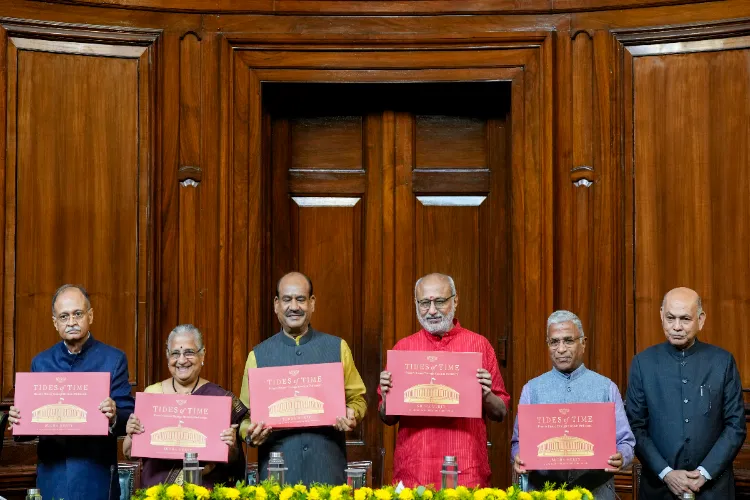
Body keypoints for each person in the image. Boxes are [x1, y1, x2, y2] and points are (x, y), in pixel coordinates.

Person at [378, 273, 510, 488]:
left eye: (439, 301)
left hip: (466, 470)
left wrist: (486, 395)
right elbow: (387, 418)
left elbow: (500, 412)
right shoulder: (403, 349)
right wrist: (386, 397)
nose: (431, 310)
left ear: (455, 301)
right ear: (416, 303)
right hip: (414, 472)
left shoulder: (479, 345)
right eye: (424, 303)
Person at [7, 284, 135, 500]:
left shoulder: (113, 359)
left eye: (78, 314)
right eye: (64, 317)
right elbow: (28, 425)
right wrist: (18, 420)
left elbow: (128, 415)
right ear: (55, 323)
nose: (72, 322)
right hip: (52, 474)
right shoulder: (41, 363)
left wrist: (114, 415)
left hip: (96, 474)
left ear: (90, 316)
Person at [239, 271, 367, 485]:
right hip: (276, 479)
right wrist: (250, 435)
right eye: (287, 299)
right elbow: (244, 417)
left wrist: (353, 414)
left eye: (301, 299)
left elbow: (358, 399)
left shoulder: (338, 348)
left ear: (312, 303)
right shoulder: (257, 356)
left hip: (328, 473)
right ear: (276, 305)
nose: (294, 307)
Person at [626, 287, 746, 499]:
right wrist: (667, 473)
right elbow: (636, 426)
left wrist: (704, 473)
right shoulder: (642, 363)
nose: (677, 327)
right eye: (670, 318)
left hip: (713, 489)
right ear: (661, 315)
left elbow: (735, 426)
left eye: (685, 319)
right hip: (658, 488)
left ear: (700, 320)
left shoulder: (722, 362)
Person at [510, 310, 635, 499]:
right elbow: (517, 443)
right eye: (554, 342)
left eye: (568, 340)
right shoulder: (531, 390)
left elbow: (626, 442)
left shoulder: (606, 388)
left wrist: (621, 456)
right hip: (544, 493)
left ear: (583, 343)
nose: (560, 349)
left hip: (596, 492)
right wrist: (518, 456)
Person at [123, 324, 248, 486]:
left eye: (189, 352)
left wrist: (230, 446)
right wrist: (132, 434)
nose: (181, 360)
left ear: (202, 355)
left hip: (205, 492)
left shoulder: (219, 399)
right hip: (158, 492)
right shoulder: (152, 395)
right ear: (168, 356)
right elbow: (128, 454)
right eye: (175, 353)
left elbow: (233, 460)